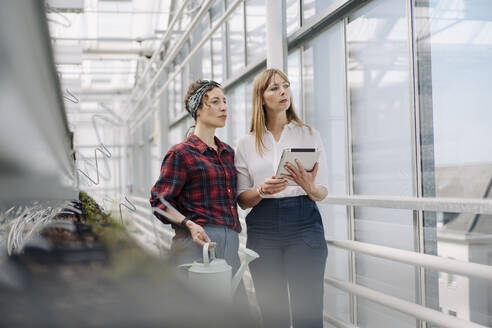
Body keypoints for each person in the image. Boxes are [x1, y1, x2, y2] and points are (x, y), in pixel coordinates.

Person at [235, 68, 329, 328]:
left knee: (307, 313)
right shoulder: (246, 143)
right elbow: (242, 199)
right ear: (261, 98)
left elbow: (323, 191)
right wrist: (262, 191)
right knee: (272, 314)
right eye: (274, 88)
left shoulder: (309, 134)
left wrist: (310, 187)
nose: (283, 91)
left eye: (286, 86)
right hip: (262, 227)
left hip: (304, 222)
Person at [149, 79, 242, 280]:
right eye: (215, 102)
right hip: (196, 243)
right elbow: (159, 202)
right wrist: (188, 224)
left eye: (225, 101)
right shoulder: (181, 154)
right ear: (198, 109)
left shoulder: (228, 153)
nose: (224, 107)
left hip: (231, 245)